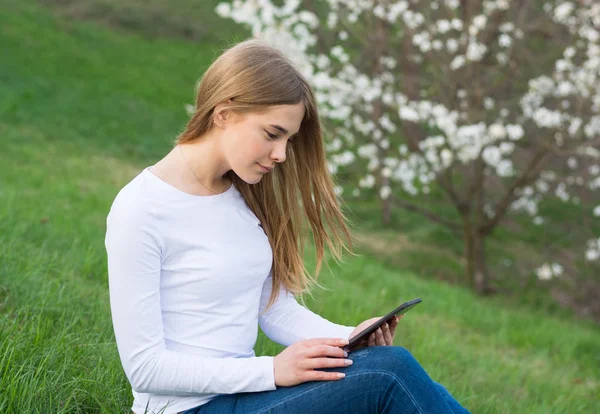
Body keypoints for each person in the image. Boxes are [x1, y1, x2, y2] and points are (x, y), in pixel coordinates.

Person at [105, 38, 469, 414]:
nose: (280, 154)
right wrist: (272, 371)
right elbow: (146, 370)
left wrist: (351, 338)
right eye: (272, 134)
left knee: (410, 378)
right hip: (188, 409)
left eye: (288, 140)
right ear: (224, 113)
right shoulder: (141, 209)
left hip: (244, 397)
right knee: (391, 375)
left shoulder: (239, 196)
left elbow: (273, 310)